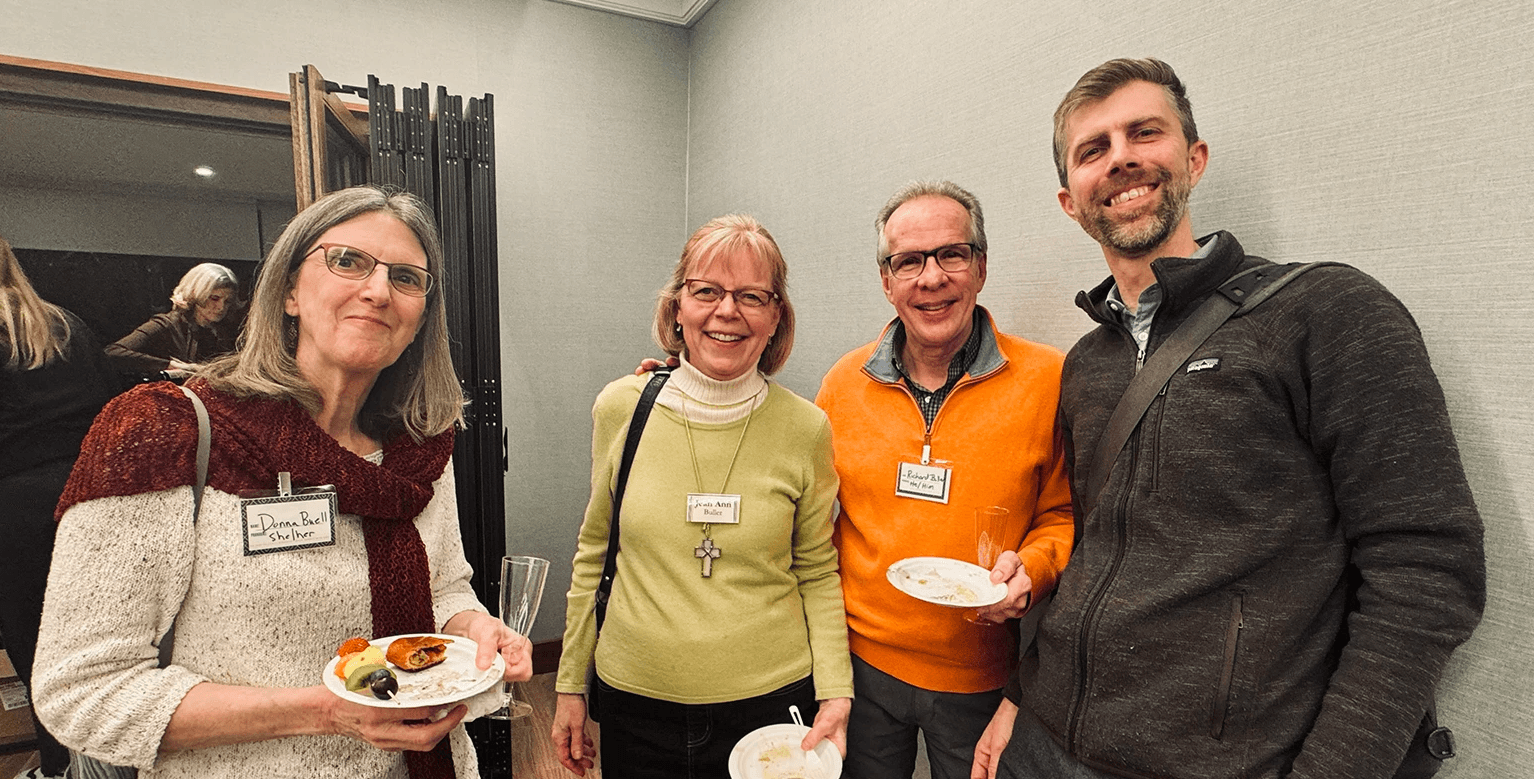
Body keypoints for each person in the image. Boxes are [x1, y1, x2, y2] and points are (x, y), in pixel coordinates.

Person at [971, 58, 1486, 779]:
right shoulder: (1087, 362)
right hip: (1043, 745)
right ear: (1069, 200)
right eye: (1094, 149)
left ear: (1194, 157)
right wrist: (1020, 695)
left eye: (1143, 132)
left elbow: (1429, 571)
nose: (1120, 157)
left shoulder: (1326, 312)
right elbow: (1097, 553)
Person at [32, 186, 533, 779]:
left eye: (406, 277)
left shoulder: (418, 451)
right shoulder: (167, 432)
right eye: (347, 261)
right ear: (290, 290)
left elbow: (443, 588)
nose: (377, 291)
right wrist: (325, 712)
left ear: (423, 313)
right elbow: (83, 690)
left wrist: (472, 627)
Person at [551, 214, 853, 778]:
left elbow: (816, 569)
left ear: (775, 317)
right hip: (636, 700)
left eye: (751, 296)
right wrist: (569, 684)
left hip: (767, 703)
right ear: (677, 308)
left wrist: (836, 690)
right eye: (706, 291)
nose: (726, 311)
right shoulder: (622, 406)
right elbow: (594, 554)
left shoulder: (806, 428)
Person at [813, 181, 1074, 779]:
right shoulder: (843, 385)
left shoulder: (1048, 380)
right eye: (908, 261)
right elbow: (808, 521)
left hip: (982, 677)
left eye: (952, 254)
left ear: (981, 267)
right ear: (886, 281)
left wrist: (1030, 573)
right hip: (859, 668)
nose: (931, 278)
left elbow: (1063, 515)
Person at [0, 236, 117, 779]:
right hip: (89, 496)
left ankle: (59, 767)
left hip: (14, 509)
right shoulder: (65, 326)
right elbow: (106, 406)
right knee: (109, 646)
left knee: (36, 649)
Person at [104, 261, 240, 379]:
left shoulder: (225, 331)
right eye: (214, 298)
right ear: (196, 294)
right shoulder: (166, 325)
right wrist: (170, 365)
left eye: (228, 301)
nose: (221, 307)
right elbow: (112, 353)